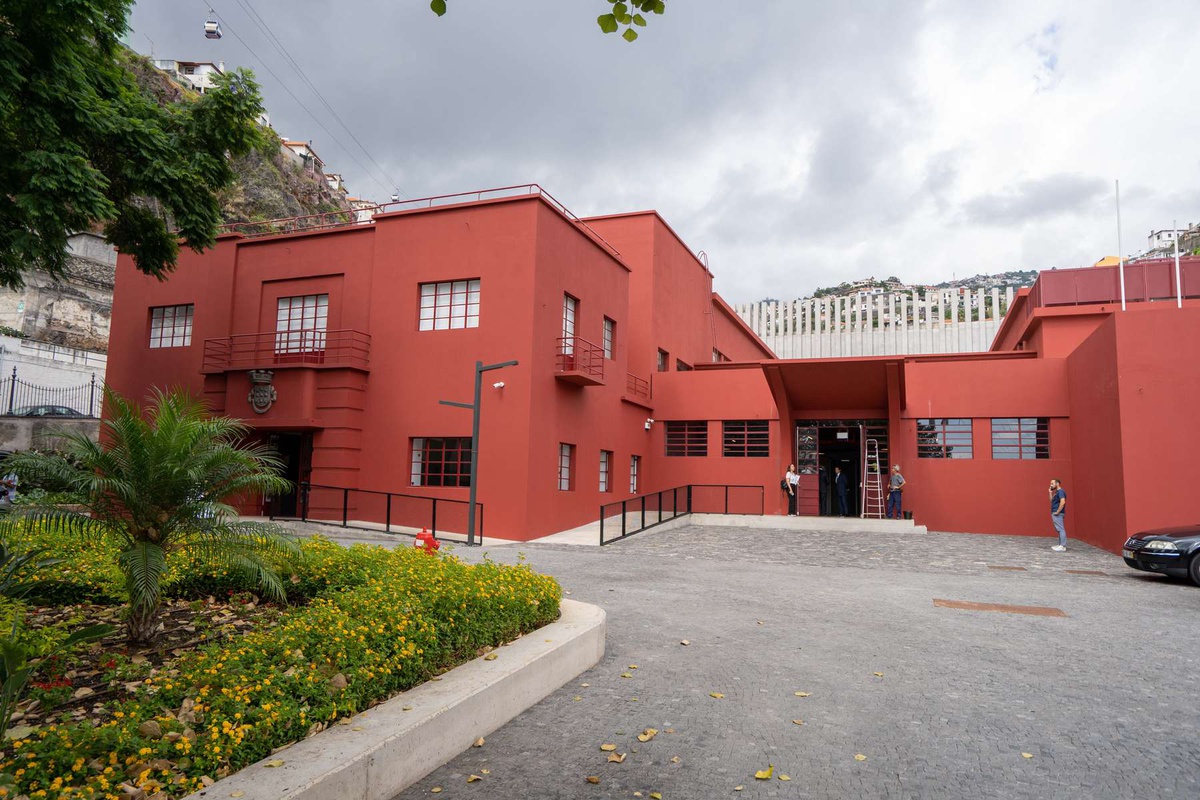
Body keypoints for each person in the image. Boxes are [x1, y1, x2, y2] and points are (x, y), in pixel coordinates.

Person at [1049, 478, 1067, 551]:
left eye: (1052, 484)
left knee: (1061, 529)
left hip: (1058, 513)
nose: (1051, 485)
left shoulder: (1061, 491)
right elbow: (1051, 500)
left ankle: (1062, 546)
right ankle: (1060, 544)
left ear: (1057, 484)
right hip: (1055, 513)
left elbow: (1063, 502)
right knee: (1059, 529)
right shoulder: (1057, 492)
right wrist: (1050, 492)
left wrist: (1058, 511)